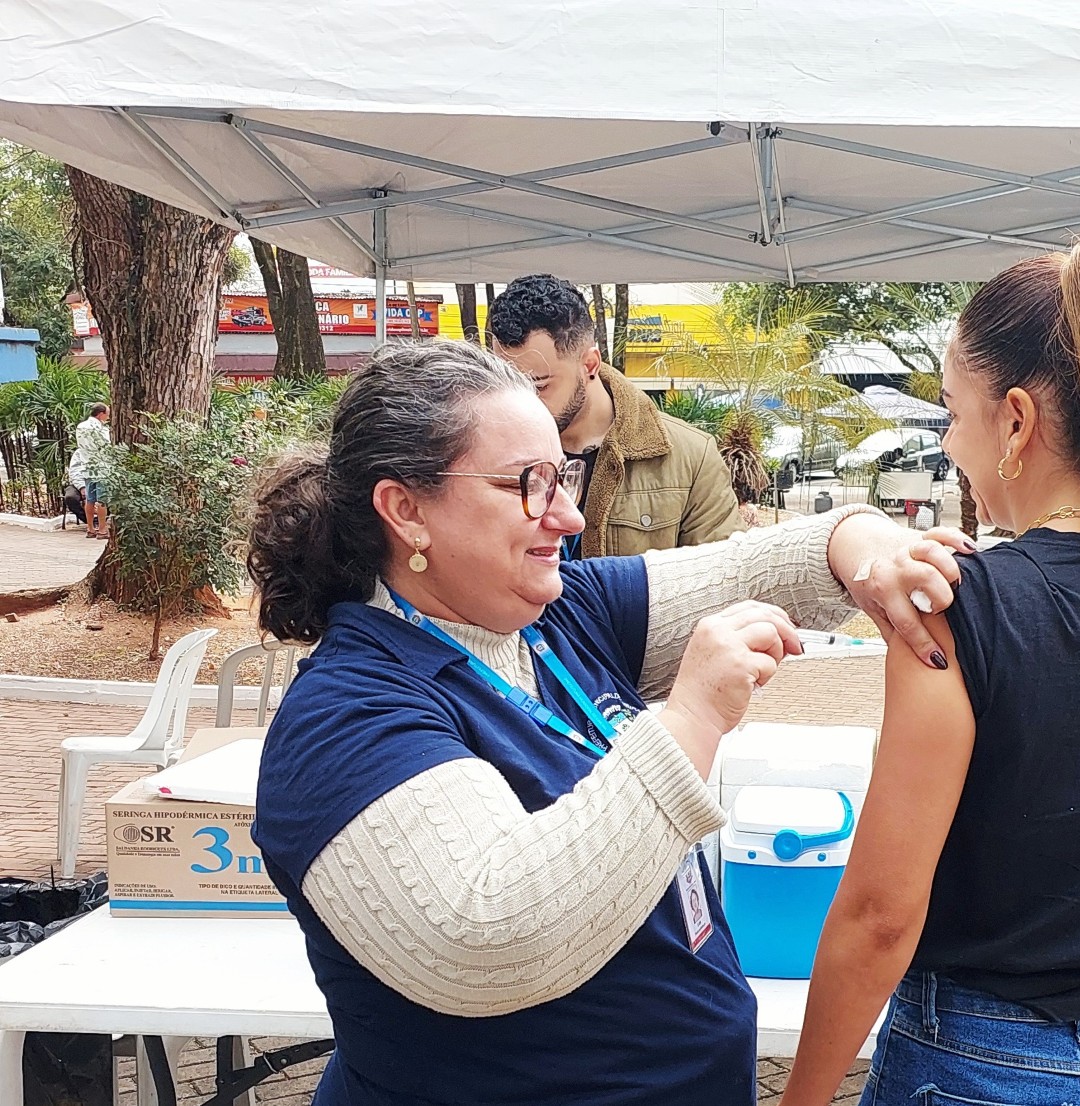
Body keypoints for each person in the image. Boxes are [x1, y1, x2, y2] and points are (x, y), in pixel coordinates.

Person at [247, 340, 967, 1106]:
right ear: (406, 511)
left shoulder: (552, 615)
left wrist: (884, 554)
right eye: (527, 484)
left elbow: (788, 560)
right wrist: (690, 718)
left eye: (562, 477)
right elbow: (493, 937)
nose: (566, 514)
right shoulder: (348, 716)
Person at [779, 223, 1080, 1106]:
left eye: (956, 413)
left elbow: (881, 917)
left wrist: (799, 1098)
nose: (952, 442)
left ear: (1017, 420)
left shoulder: (960, 613)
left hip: (978, 1063)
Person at [488, 274, 742, 557]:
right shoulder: (487, 449)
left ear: (590, 364)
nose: (524, 402)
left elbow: (723, 579)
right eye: (510, 383)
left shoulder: (690, 456)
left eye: (539, 385)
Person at [69, 402, 110, 538]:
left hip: (86, 467)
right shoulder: (100, 429)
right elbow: (106, 445)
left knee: (90, 500)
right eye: (107, 414)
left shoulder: (80, 427)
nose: (107, 417)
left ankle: (90, 528)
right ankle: (102, 530)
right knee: (102, 500)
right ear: (100, 414)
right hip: (101, 467)